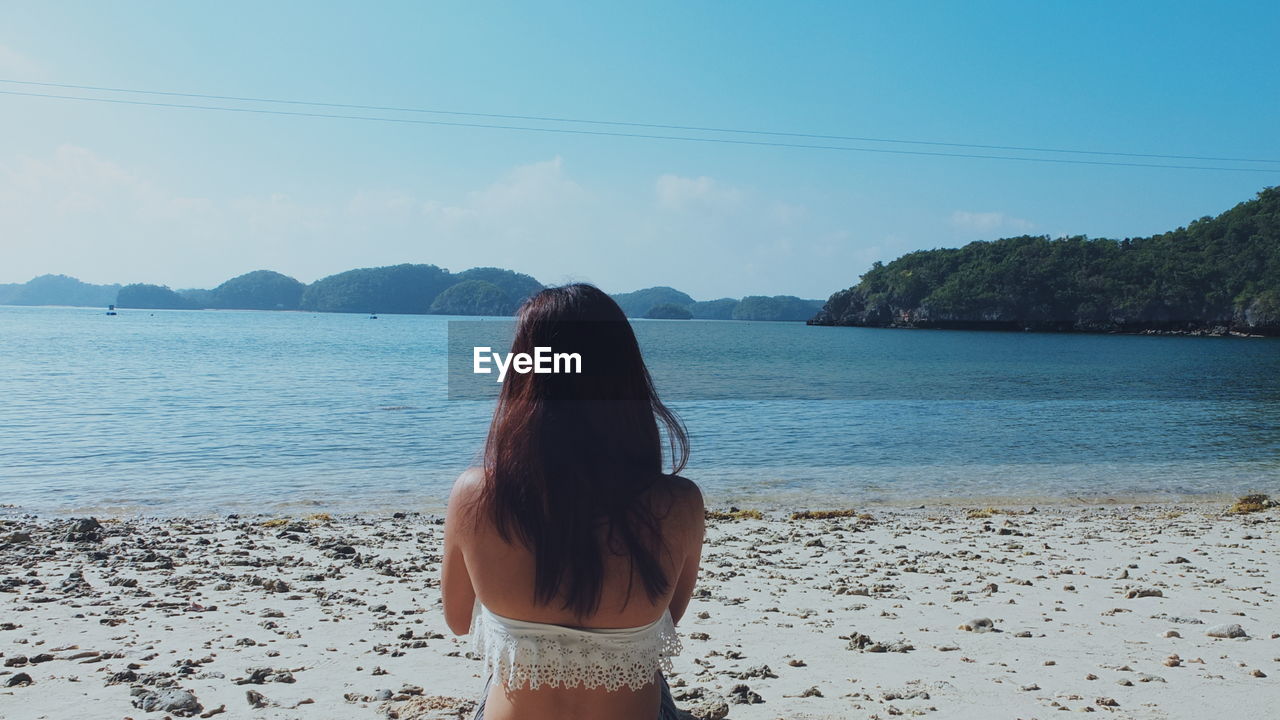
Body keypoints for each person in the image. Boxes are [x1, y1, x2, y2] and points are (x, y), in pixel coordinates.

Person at [441, 283, 704, 720]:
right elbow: (666, 618)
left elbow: (457, 620)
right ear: (626, 379)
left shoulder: (477, 495)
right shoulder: (679, 504)